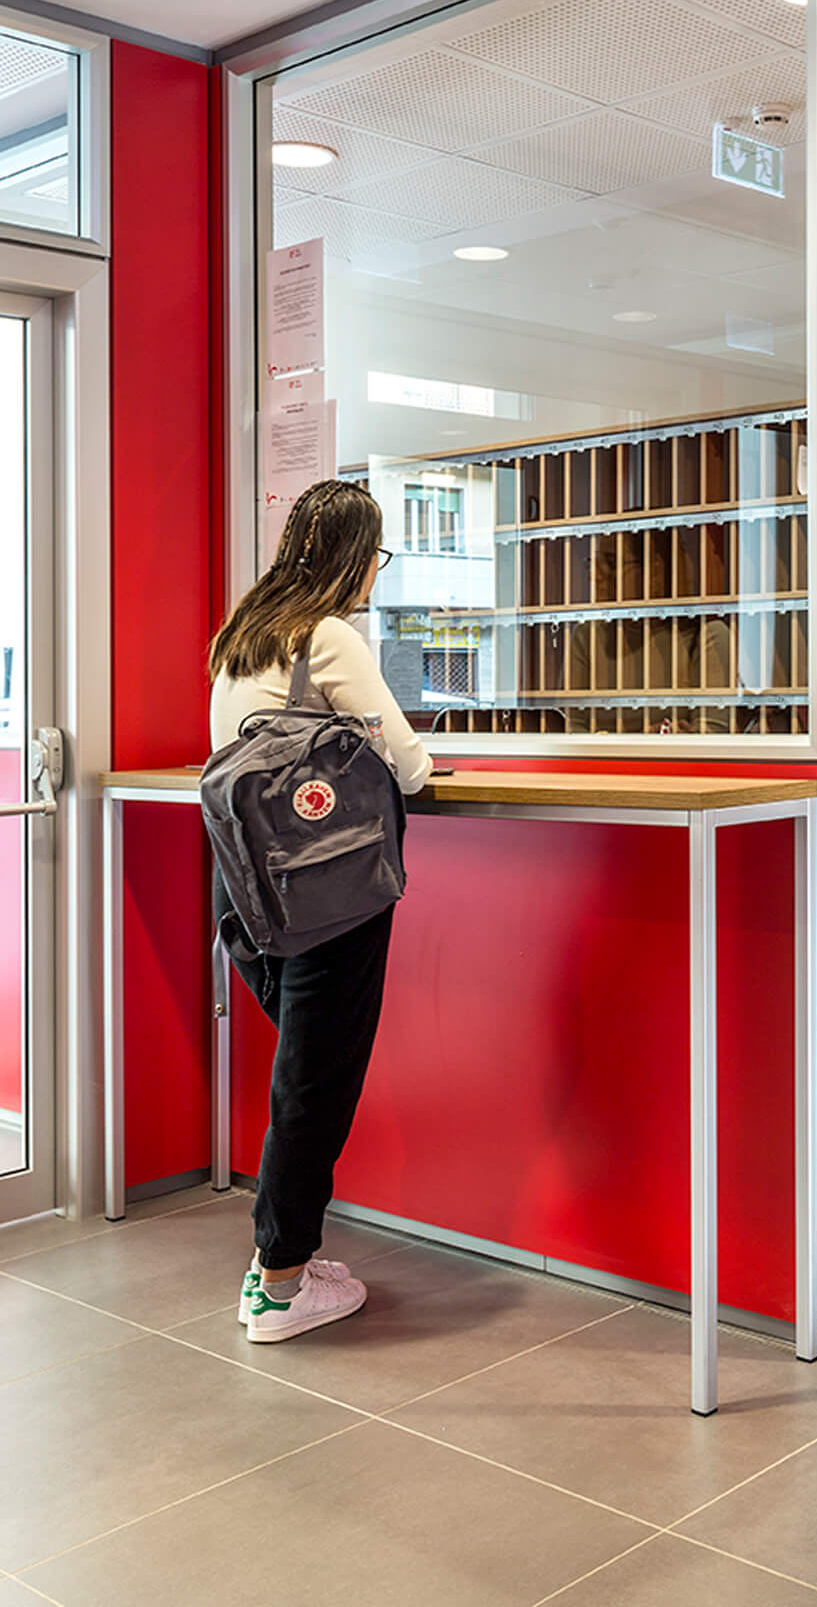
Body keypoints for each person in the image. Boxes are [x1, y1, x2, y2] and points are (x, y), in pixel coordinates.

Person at [209, 478, 432, 1341]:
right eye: (375, 556)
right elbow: (407, 767)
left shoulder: (245, 630)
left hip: (245, 884)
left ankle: (283, 1257)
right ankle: (279, 1282)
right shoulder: (329, 634)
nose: (376, 573)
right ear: (353, 557)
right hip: (326, 889)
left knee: (304, 1071)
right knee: (316, 1083)